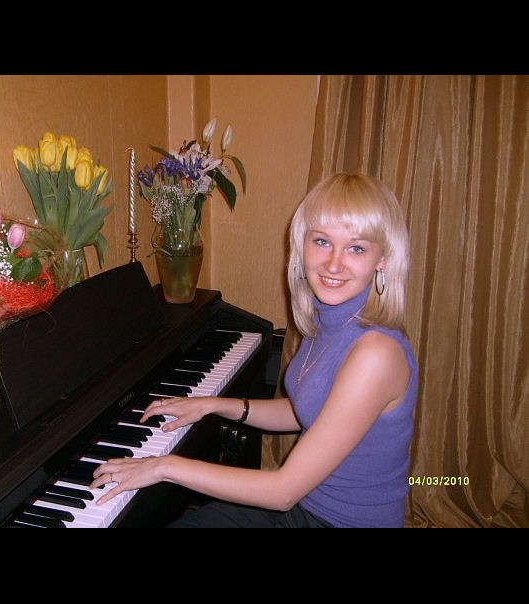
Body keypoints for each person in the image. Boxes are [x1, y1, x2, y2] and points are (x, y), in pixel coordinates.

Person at [90, 172, 419, 528]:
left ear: (383, 258)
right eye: (322, 241)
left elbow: (282, 491)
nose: (334, 264)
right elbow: (306, 410)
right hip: (306, 508)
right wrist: (214, 405)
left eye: (356, 248)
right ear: (302, 244)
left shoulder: (376, 353)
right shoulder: (330, 318)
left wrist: (163, 466)